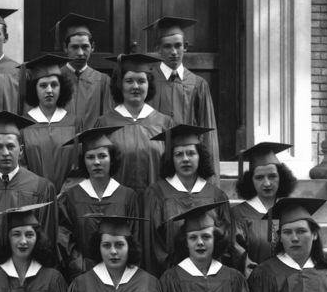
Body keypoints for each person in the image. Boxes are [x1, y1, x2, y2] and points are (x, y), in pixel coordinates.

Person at [0, 111, 58, 275]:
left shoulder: (41, 188)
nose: (5, 153)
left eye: (11, 146)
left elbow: (47, 241)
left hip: (28, 281)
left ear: (21, 150)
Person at [143, 125, 234, 277]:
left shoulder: (217, 196)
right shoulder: (156, 195)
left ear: (200, 156)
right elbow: (153, 247)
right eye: (179, 154)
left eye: (191, 153)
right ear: (171, 159)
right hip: (170, 279)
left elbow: (225, 243)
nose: (185, 159)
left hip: (210, 279)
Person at [57, 127, 140, 280]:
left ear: (112, 159)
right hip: (82, 277)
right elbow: (64, 238)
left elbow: (134, 237)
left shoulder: (128, 196)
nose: (96, 162)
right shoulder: (70, 197)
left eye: (102, 156)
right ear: (83, 161)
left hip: (120, 276)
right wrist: (82, 267)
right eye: (90, 157)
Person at [144, 16, 220, 179]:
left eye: (178, 46)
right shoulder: (147, 81)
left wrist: (208, 173)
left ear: (185, 47)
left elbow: (207, 131)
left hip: (187, 162)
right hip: (155, 160)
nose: (173, 52)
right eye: (167, 46)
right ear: (158, 48)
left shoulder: (198, 84)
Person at [93, 53, 173, 200]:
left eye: (141, 81)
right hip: (116, 205)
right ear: (120, 84)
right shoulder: (104, 123)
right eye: (129, 81)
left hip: (155, 204)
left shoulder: (164, 123)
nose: (135, 86)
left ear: (149, 85)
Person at [233, 142, 297, 273]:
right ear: (251, 181)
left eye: (272, 176)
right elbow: (236, 254)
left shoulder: (291, 211)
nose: (267, 183)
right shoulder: (238, 214)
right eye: (259, 177)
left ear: (282, 178)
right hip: (254, 283)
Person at [20, 54, 78, 192]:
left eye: (54, 85)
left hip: (68, 198)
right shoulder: (24, 124)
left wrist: (65, 195)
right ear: (34, 89)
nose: (49, 90)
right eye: (43, 85)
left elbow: (79, 166)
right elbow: (21, 166)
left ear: (61, 88)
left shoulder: (74, 123)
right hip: (33, 197)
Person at [54, 13, 113, 130]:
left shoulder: (103, 80)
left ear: (93, 47)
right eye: (75, 47)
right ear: (65, 48)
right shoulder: (55, 78)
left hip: (93, 144)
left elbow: (107, 119)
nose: (80, 53)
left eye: (85, 47)